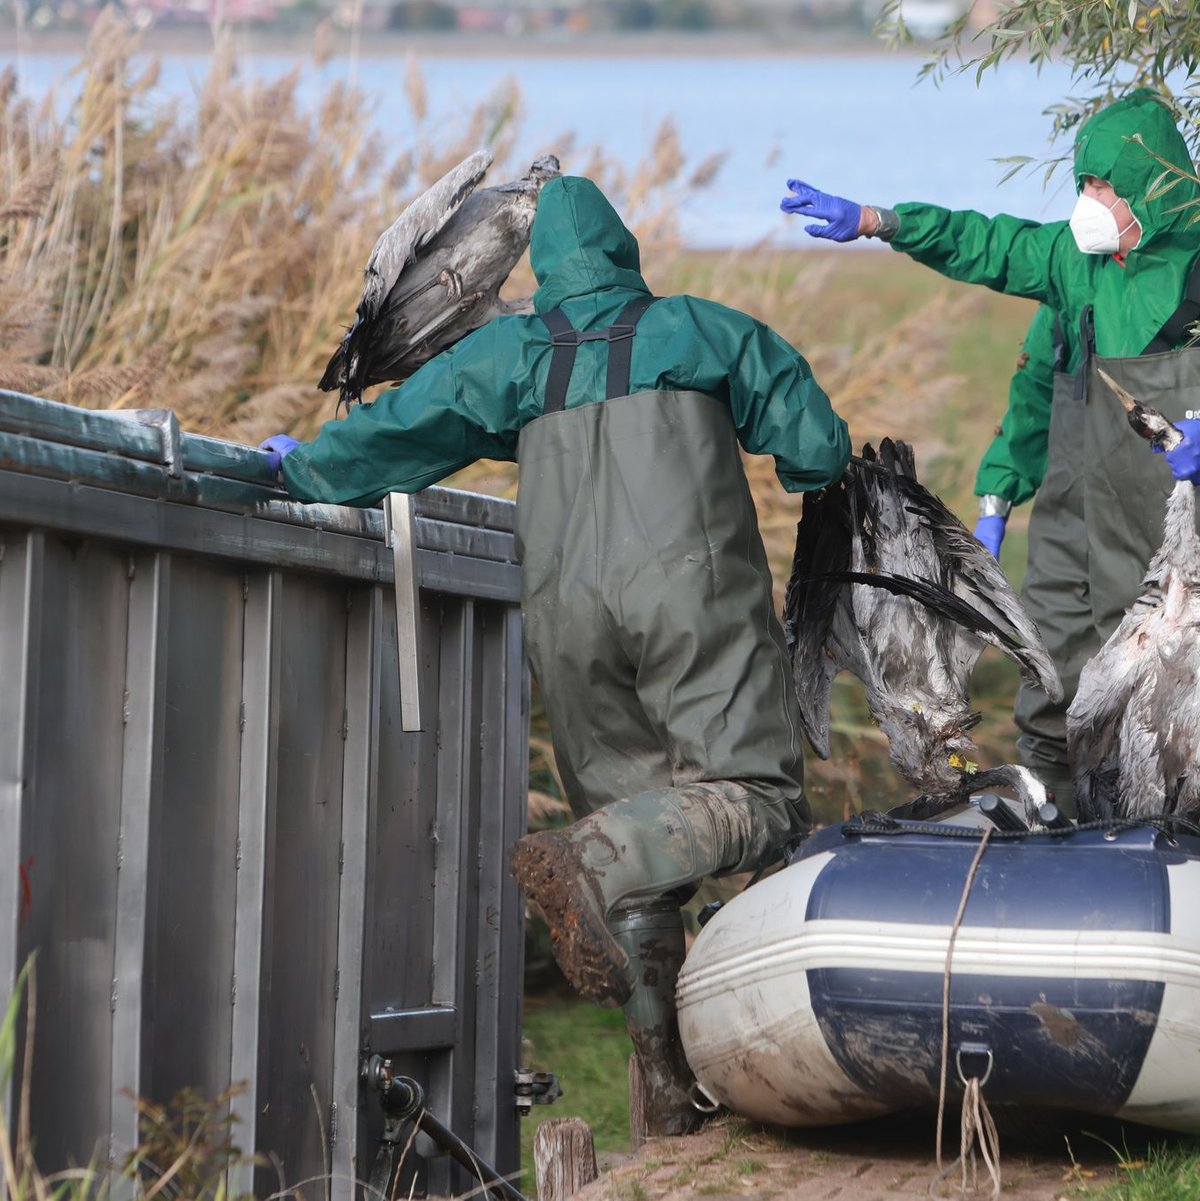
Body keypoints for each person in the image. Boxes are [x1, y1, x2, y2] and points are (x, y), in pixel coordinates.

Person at [262, 174, 850, 1134]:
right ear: (624, 253)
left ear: (544, 270)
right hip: (690, 597)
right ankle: (585, 857)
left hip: (569, 614)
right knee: (756, 794)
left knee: (639, 865)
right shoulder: (702, 329)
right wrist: (803, 470)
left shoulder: (513, 351)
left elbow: (401, 431)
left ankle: (667, 1095)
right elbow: (817, 445)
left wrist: (303, 465)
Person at [781, 90, 1200, 811]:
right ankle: (1065, 846)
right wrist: (881, 222)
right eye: (1084, 184)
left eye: (1104, 185)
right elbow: (988, 245)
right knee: (1050, 703)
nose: (1089, 202)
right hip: (1071, 537)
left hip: (1169, 547)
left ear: (1151, 189)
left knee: (1163, 712)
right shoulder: (1075, 267)